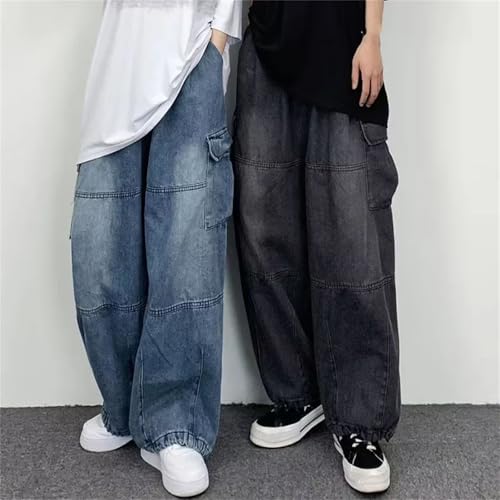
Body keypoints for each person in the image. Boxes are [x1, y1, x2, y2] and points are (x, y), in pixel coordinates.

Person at [70, 0, 241, 496]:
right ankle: (123, 407)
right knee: (99, 244)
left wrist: (218, 38)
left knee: (186, 248)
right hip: (119, 61)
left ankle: (176, 426)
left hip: (193, 49)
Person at [232, 0, 400, 494]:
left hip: (343, 46)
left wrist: (372, 35)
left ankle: (360, 421)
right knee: (264, 231)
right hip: (267, 47)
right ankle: (297, 392)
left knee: (350, 240)